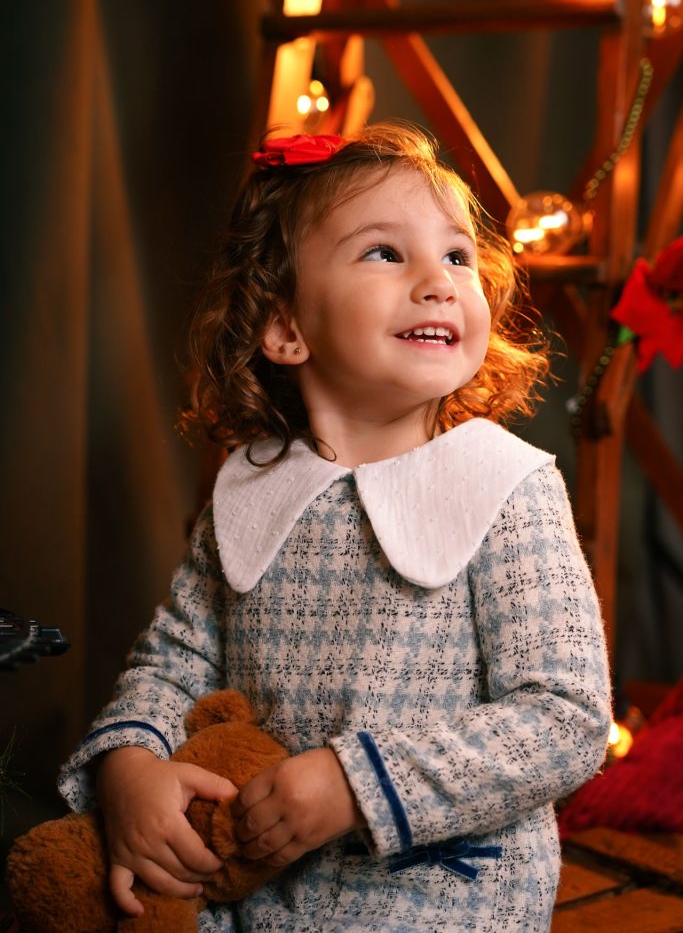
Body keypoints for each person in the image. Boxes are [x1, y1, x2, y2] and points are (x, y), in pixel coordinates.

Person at [58, 122, 612, 932]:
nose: (438, 281)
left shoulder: (503, 485)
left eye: (457, 256)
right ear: (286, 328)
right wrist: (130, 763)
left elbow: (563, 719)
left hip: (441, 894)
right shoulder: (252, 487)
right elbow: (173, 662)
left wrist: (358, 784)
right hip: (249, 887)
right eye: (384, 253)